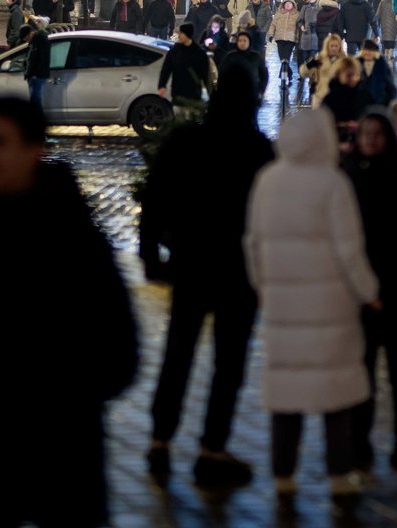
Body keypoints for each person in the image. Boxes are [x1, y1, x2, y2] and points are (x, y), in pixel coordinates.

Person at [0, 100, 139, 525]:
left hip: (64, 454)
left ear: (34, 149)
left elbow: (120, 353)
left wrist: (53, 397)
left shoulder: (76, 241)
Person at [140, 67, 274, 488]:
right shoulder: (258, 149)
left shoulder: (185, 140)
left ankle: (161, 440)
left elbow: (155, 197)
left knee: (178, 352)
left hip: (191, 263)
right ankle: (211, 448)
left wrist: (150, 255)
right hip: (240, 270)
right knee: (229, 362)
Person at [243, 110, 380, 507]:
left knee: (286, 394)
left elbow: (252, 243)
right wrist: (369, 292)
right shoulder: (332, 184)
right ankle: (339, 474)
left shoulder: (267, 181)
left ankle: (283, 475)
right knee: (334, 395)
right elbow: (349, 250)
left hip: (283, 307)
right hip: (331, 308)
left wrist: (264, 286)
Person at [343, 108, 397, 472]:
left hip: (396, 287)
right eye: (365, 134)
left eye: (378, 134)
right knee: (363, 369)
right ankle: (360, 440)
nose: (370, 141)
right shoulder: (347, 179)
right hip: (358, 289)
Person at [157, 23, 211, 113]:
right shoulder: (175, 51)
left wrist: (209, 94)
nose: (178, 36)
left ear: (187, 34)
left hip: (194, 95)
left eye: (181, 33)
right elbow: (166, 69)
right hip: (178, 94)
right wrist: (162, 85)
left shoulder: (199, 53)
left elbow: (205, 75)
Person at [23, 17, 52, 109]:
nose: (27, 40)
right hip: (34, 75)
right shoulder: (34, 42)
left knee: (36, 100)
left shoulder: (41, 41)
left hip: (38, 76)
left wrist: (35, 74)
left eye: (27, 38)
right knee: (34, 100)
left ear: (31, 34)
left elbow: (43, 59)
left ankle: (36, 119)